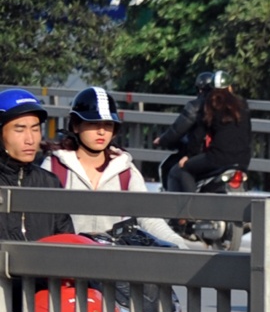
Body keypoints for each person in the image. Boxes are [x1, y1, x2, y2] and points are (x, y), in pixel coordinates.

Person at [48, 87, 193, 246]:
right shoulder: (54, 166)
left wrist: (179, 245)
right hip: (64, 256)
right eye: (93, 123)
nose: (102, 131)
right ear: (76, 126)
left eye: (108, 124)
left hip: (112, 258)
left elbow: (149, 218)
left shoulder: (125, 170)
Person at [0, 89, 72, 242]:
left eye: (36, 129)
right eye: (19, 130)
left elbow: (66, 241)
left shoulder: (49, 183)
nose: (30, 140)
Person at [164, 75, 252, 195]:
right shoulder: (242, 105)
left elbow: (198, 135)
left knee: (181, 170)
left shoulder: (211, 104)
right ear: (230, 87)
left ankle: (192, 203)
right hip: (243, 159)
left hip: (218, 158)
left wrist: (189, 156)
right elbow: (248, 134)